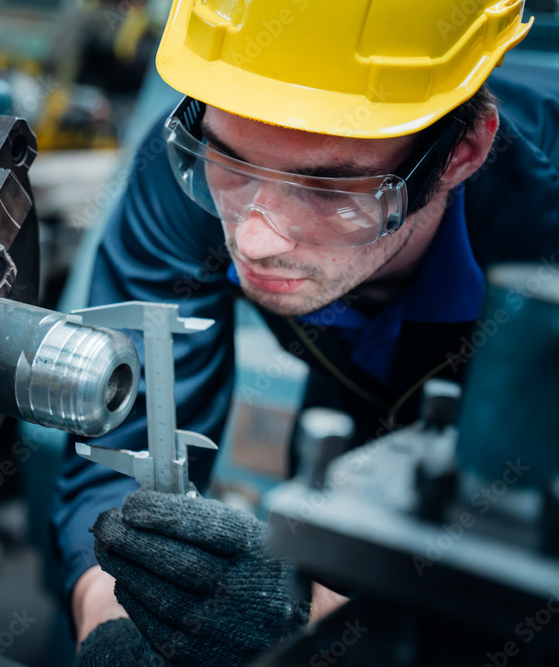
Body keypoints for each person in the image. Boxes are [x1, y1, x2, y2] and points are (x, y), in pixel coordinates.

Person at [50, 0, 559, 664]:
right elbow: (122, 448)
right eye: (232, 162)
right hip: (344, 400)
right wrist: (111, 623)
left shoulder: (541, 236)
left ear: (462, 152)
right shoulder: (186, 166)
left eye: (327, 187)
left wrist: (309, 619)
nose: (254, 240)